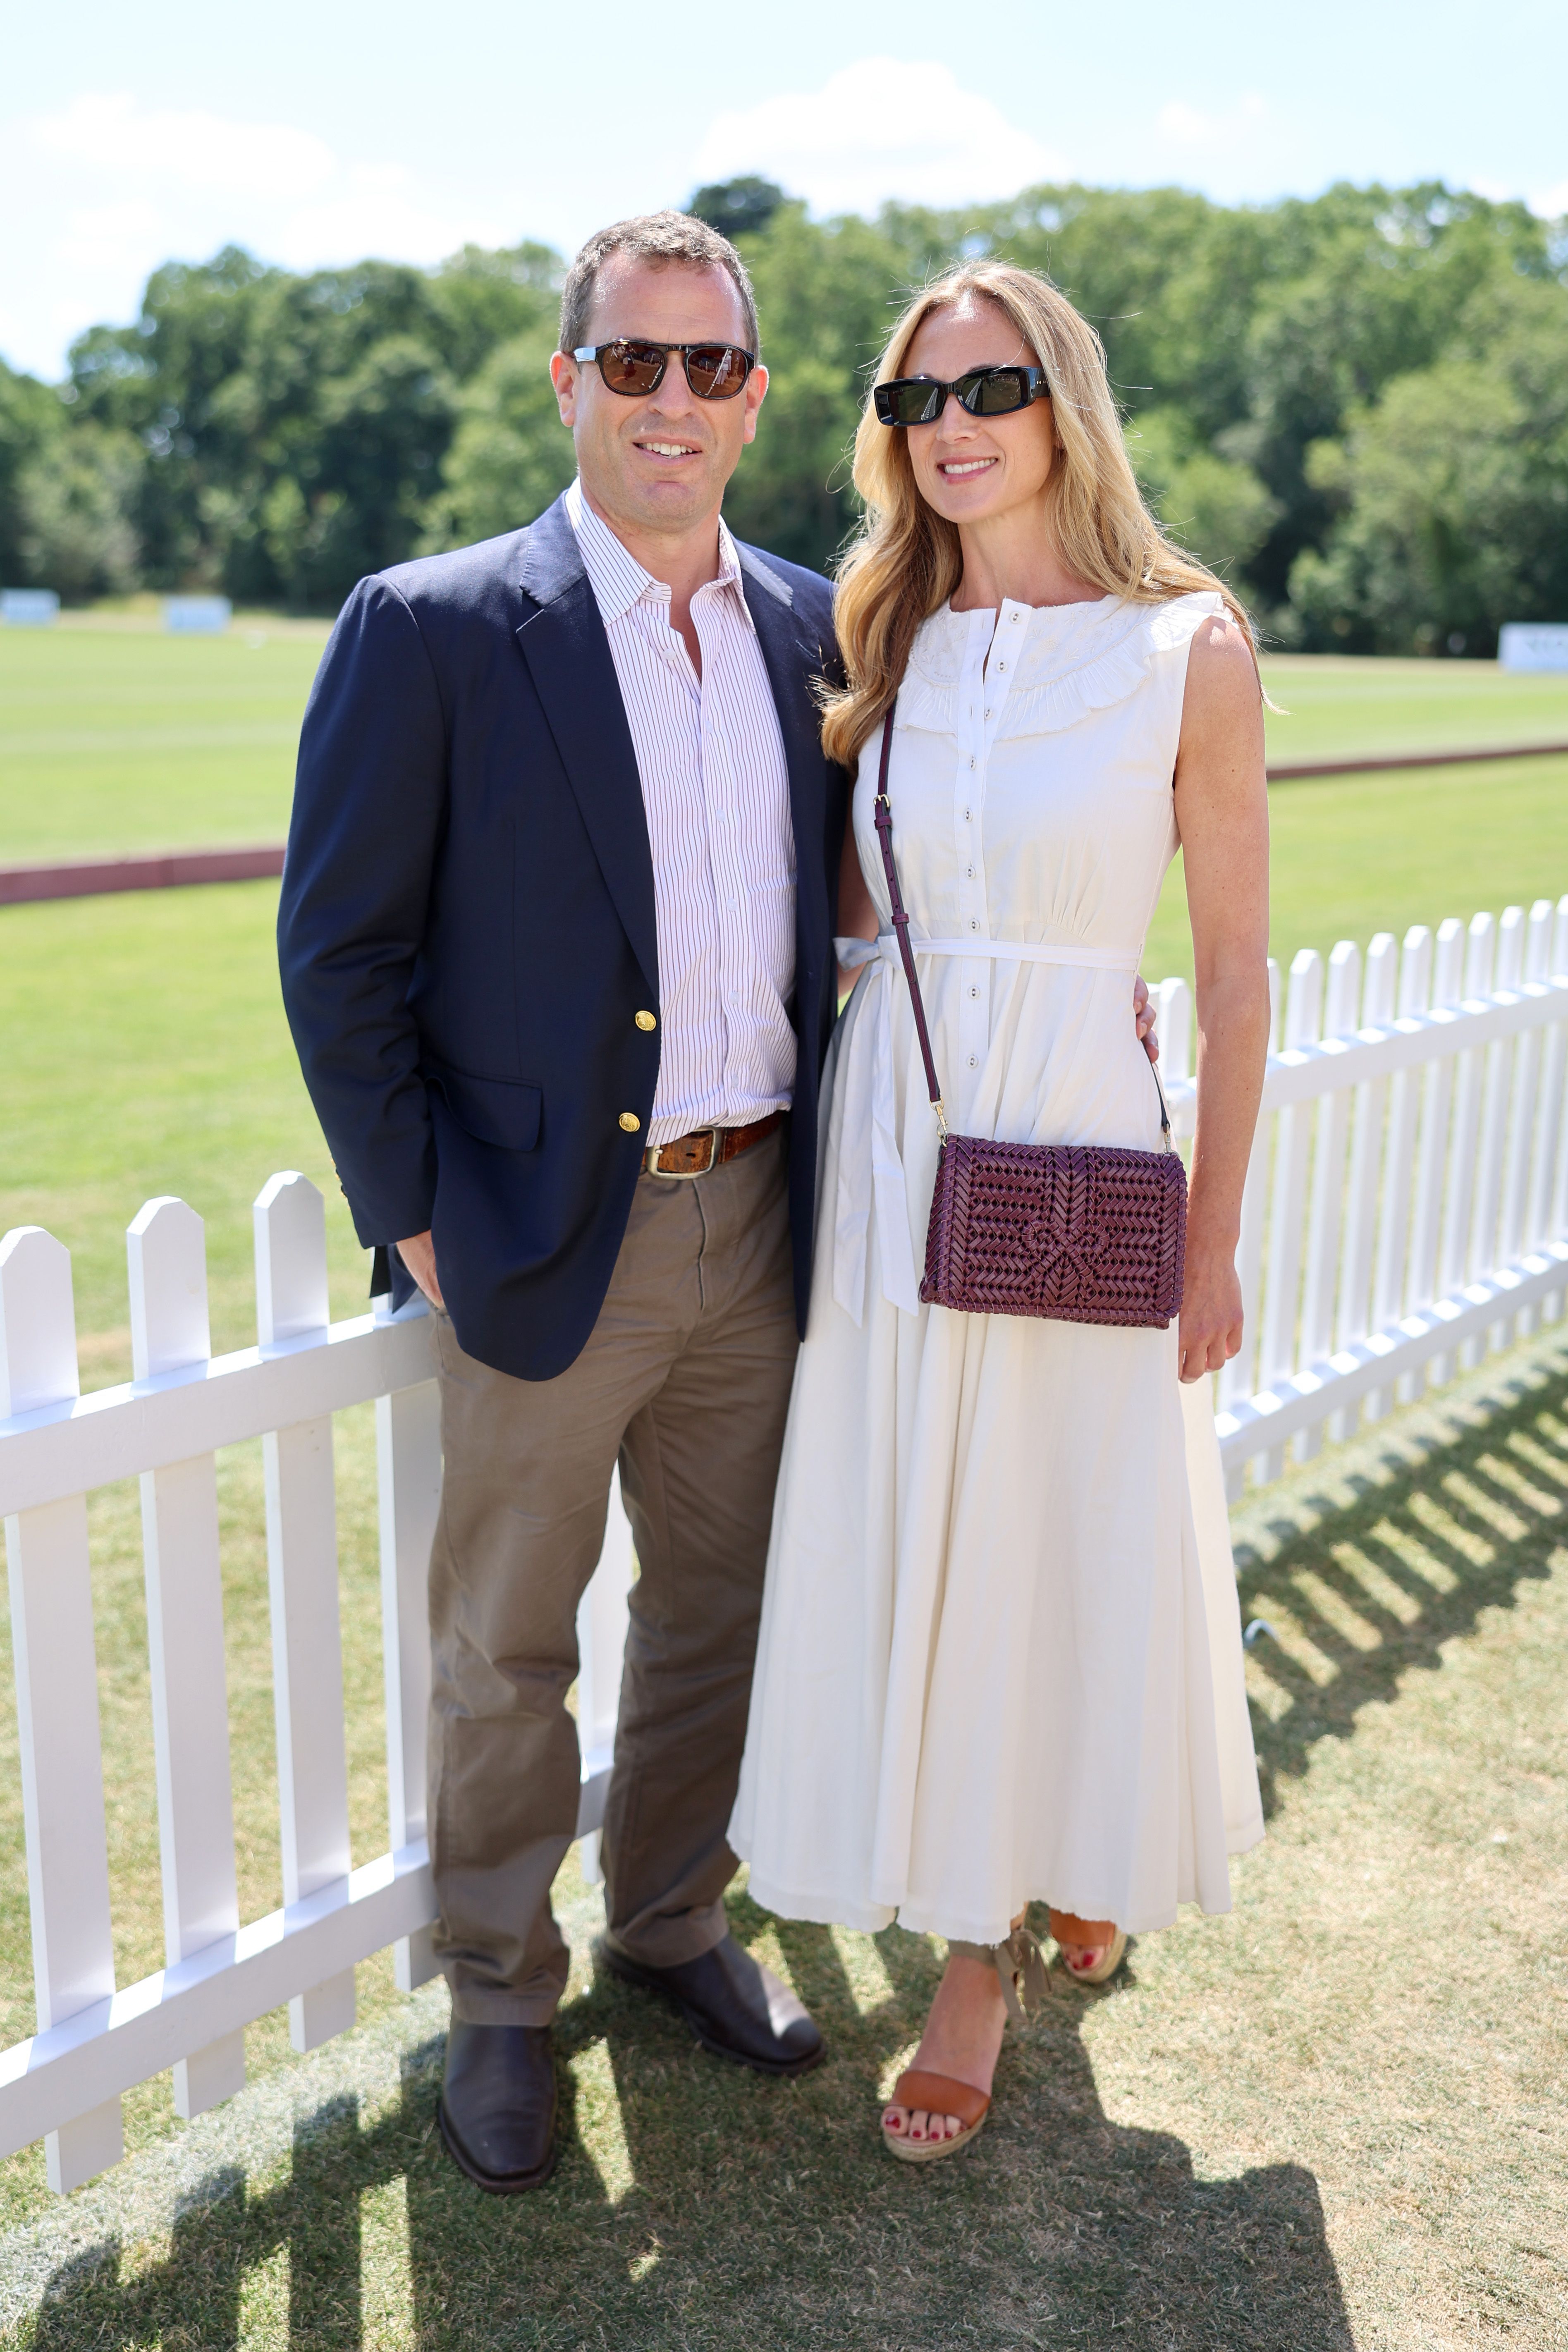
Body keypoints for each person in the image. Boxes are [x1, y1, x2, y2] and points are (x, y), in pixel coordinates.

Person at [278, 215, 1161, 2197]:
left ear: (758, 397)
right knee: (507, 1651)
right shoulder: (428, 625)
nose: (673, 400)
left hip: (768, 1221)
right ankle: (499, 2004)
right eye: (636, 361)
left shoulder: (811, 627)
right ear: (570, 378)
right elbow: (339, 955)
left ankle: (668, 1925)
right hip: (528, 1234)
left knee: (719, 1623)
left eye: (714, 367)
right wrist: (414, 1211)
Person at [729, 259, 1270, 2163]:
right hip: (900, 1133)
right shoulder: (879, 630)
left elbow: (1230, 972)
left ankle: (1002, 1938)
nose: (951, 427)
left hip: (1078, 1132)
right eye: (916, 402)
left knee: (1062, 1514)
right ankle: (1019, 1878)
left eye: (991, 389)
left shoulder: (1184, 644)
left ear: (1066, 405)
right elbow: (859, 913)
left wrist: (1211, 1242)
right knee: (930, 1516)